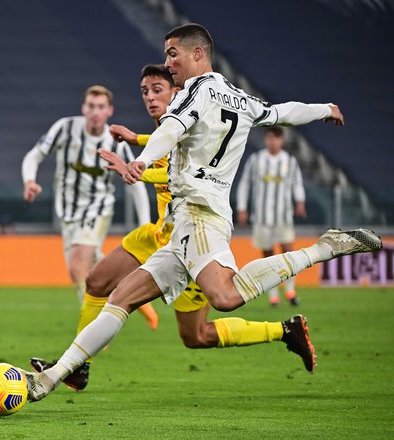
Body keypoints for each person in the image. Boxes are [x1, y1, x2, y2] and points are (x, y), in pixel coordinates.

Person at [24, 24, 381, 402]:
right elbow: (281, 113)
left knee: (224, 297)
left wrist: (141, 162)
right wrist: (324, 108)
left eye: (172, 54)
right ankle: (52, 378)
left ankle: (326, 248)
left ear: (198, 53)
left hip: (199, 213)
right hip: (186, 220)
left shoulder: (194, 91)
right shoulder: (238, 97)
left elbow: (171, 130)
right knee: (120, 299)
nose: (167, 63)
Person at [31, 64, 318, 391]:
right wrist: (134, 139)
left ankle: (284, 330)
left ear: (177, 94)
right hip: (158, 233)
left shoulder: (191, 126)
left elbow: (176, 174)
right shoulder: (163, 130)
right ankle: (79, 367)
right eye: (145, 91)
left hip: (191, 241)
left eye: (157, 90)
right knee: (96, 282)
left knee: (196, 336)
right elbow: (160, 146)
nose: (150, 98)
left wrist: (134, 168)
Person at [21, 85, 151, 305]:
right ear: (83, 108)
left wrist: (145, 223)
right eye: (91, 106)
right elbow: (34, 156)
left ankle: (93, 328)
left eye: (101, 107)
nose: (95, 112)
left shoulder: (114, 142)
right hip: (68, 212)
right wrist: (30, 181)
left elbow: (136, 182)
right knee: (85, 270)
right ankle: (125, 290)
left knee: (77, 268)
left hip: (98, 209)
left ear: (109, 111)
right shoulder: (65, 128)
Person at [236, 126, 306, 306]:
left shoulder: (289, 161)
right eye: (269, 138)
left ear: (281, 140)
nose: (272, 142)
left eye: (275, 138)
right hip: (262, 217)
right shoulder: (256, 160)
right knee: (267, 257)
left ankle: (290, 292)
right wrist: (242, 208)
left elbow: (297, 183)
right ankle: (273, 295)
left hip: (283, 217)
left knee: (288, 253)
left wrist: (300, 201)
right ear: (266, 140)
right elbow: (245, 183)